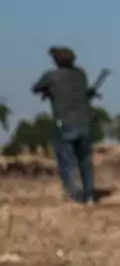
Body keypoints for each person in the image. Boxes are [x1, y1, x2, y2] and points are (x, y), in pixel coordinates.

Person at [31, 46, 97, 204]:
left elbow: (36, 88)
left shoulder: (52, 76)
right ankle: (89, 195)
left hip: (64, 123)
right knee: (85, 161)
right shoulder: (80, 74)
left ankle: (75, 195)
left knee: (66, 161)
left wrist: (48, 92)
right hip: (84, 122)